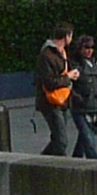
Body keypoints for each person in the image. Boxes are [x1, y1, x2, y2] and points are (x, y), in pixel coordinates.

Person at [33, 24, 80, 156]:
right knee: (61, 141)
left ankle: (42, 164)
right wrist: (68, 77)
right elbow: (49, 82)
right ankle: (46, 165)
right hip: (50, 102)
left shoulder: (62, 53)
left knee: (58, 139)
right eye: (71, 36)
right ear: (66, 37)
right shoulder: (46, 55)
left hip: (62, 99)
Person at [68, 32, 97, 158]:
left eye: (91, 47)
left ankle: (75, 160)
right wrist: (76, 97)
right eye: (86, 47)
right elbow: (69, 84)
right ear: (80, 48)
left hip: (95, 105)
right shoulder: (74, 63)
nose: (89, 50)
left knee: (84, 138)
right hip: (80, 106)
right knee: (88, 139)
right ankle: (95, 165)